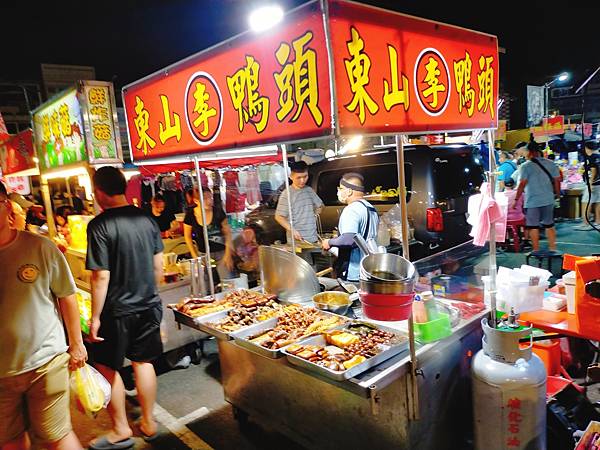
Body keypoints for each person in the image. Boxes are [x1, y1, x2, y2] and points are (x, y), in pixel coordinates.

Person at [0, 181, 87, 450]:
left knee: (56, 436)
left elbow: (66, 295)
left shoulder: (39, 247)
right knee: (9, 440)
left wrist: (77, 344)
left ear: (6, 207)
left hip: (45, 363)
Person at [86, 167, 164, 449]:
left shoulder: (99, 225)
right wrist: (151, 294)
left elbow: (100, 276)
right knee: (143, 362)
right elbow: (159, 264)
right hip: (148, 303)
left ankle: (120, 429)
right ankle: (148, 422)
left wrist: (94, 317)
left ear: (99, 192)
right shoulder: (146, 217)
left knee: (106, 366)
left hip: (117, 310)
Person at [321, 173, 379, 281]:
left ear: (349, 191)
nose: (339, 192)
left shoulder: (351, 209)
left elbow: (349, 239)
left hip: (354, 271)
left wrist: (329, 242)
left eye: (341, 188)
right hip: (369, 269)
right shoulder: (371, 208)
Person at [514, 137, 561, 253]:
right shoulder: (551, 164)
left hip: (532, 201)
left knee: (533, 226)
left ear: (529, 152)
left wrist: (516, 199)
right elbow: (557, 181)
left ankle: (536, 250)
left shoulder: (525, 166)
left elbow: (522, 184)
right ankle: (553, 248)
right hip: (548, 199)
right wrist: (558, 195)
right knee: (549, 224)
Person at [184, 187, 234, 282]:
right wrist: (195, 256)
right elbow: (187, 237)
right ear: (196, 201)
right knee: (205, 285)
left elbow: (228, 234)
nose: (209, 201)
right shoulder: (190, 214)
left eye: (210, 198)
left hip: (221, 253)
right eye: (205, 199)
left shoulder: (218, 212)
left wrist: (228, 255)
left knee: (228, 283)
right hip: (203, 255)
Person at [275, 160, 323, 244]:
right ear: (291, 176)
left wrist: (313, 215)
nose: (302, 180)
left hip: (313, 238)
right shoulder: (287, 194)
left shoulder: (309, 190)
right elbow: (279, 217)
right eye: (298, 177)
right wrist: (292, 230)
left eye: (305, 176)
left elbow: (321, 206)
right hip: (297, 241)